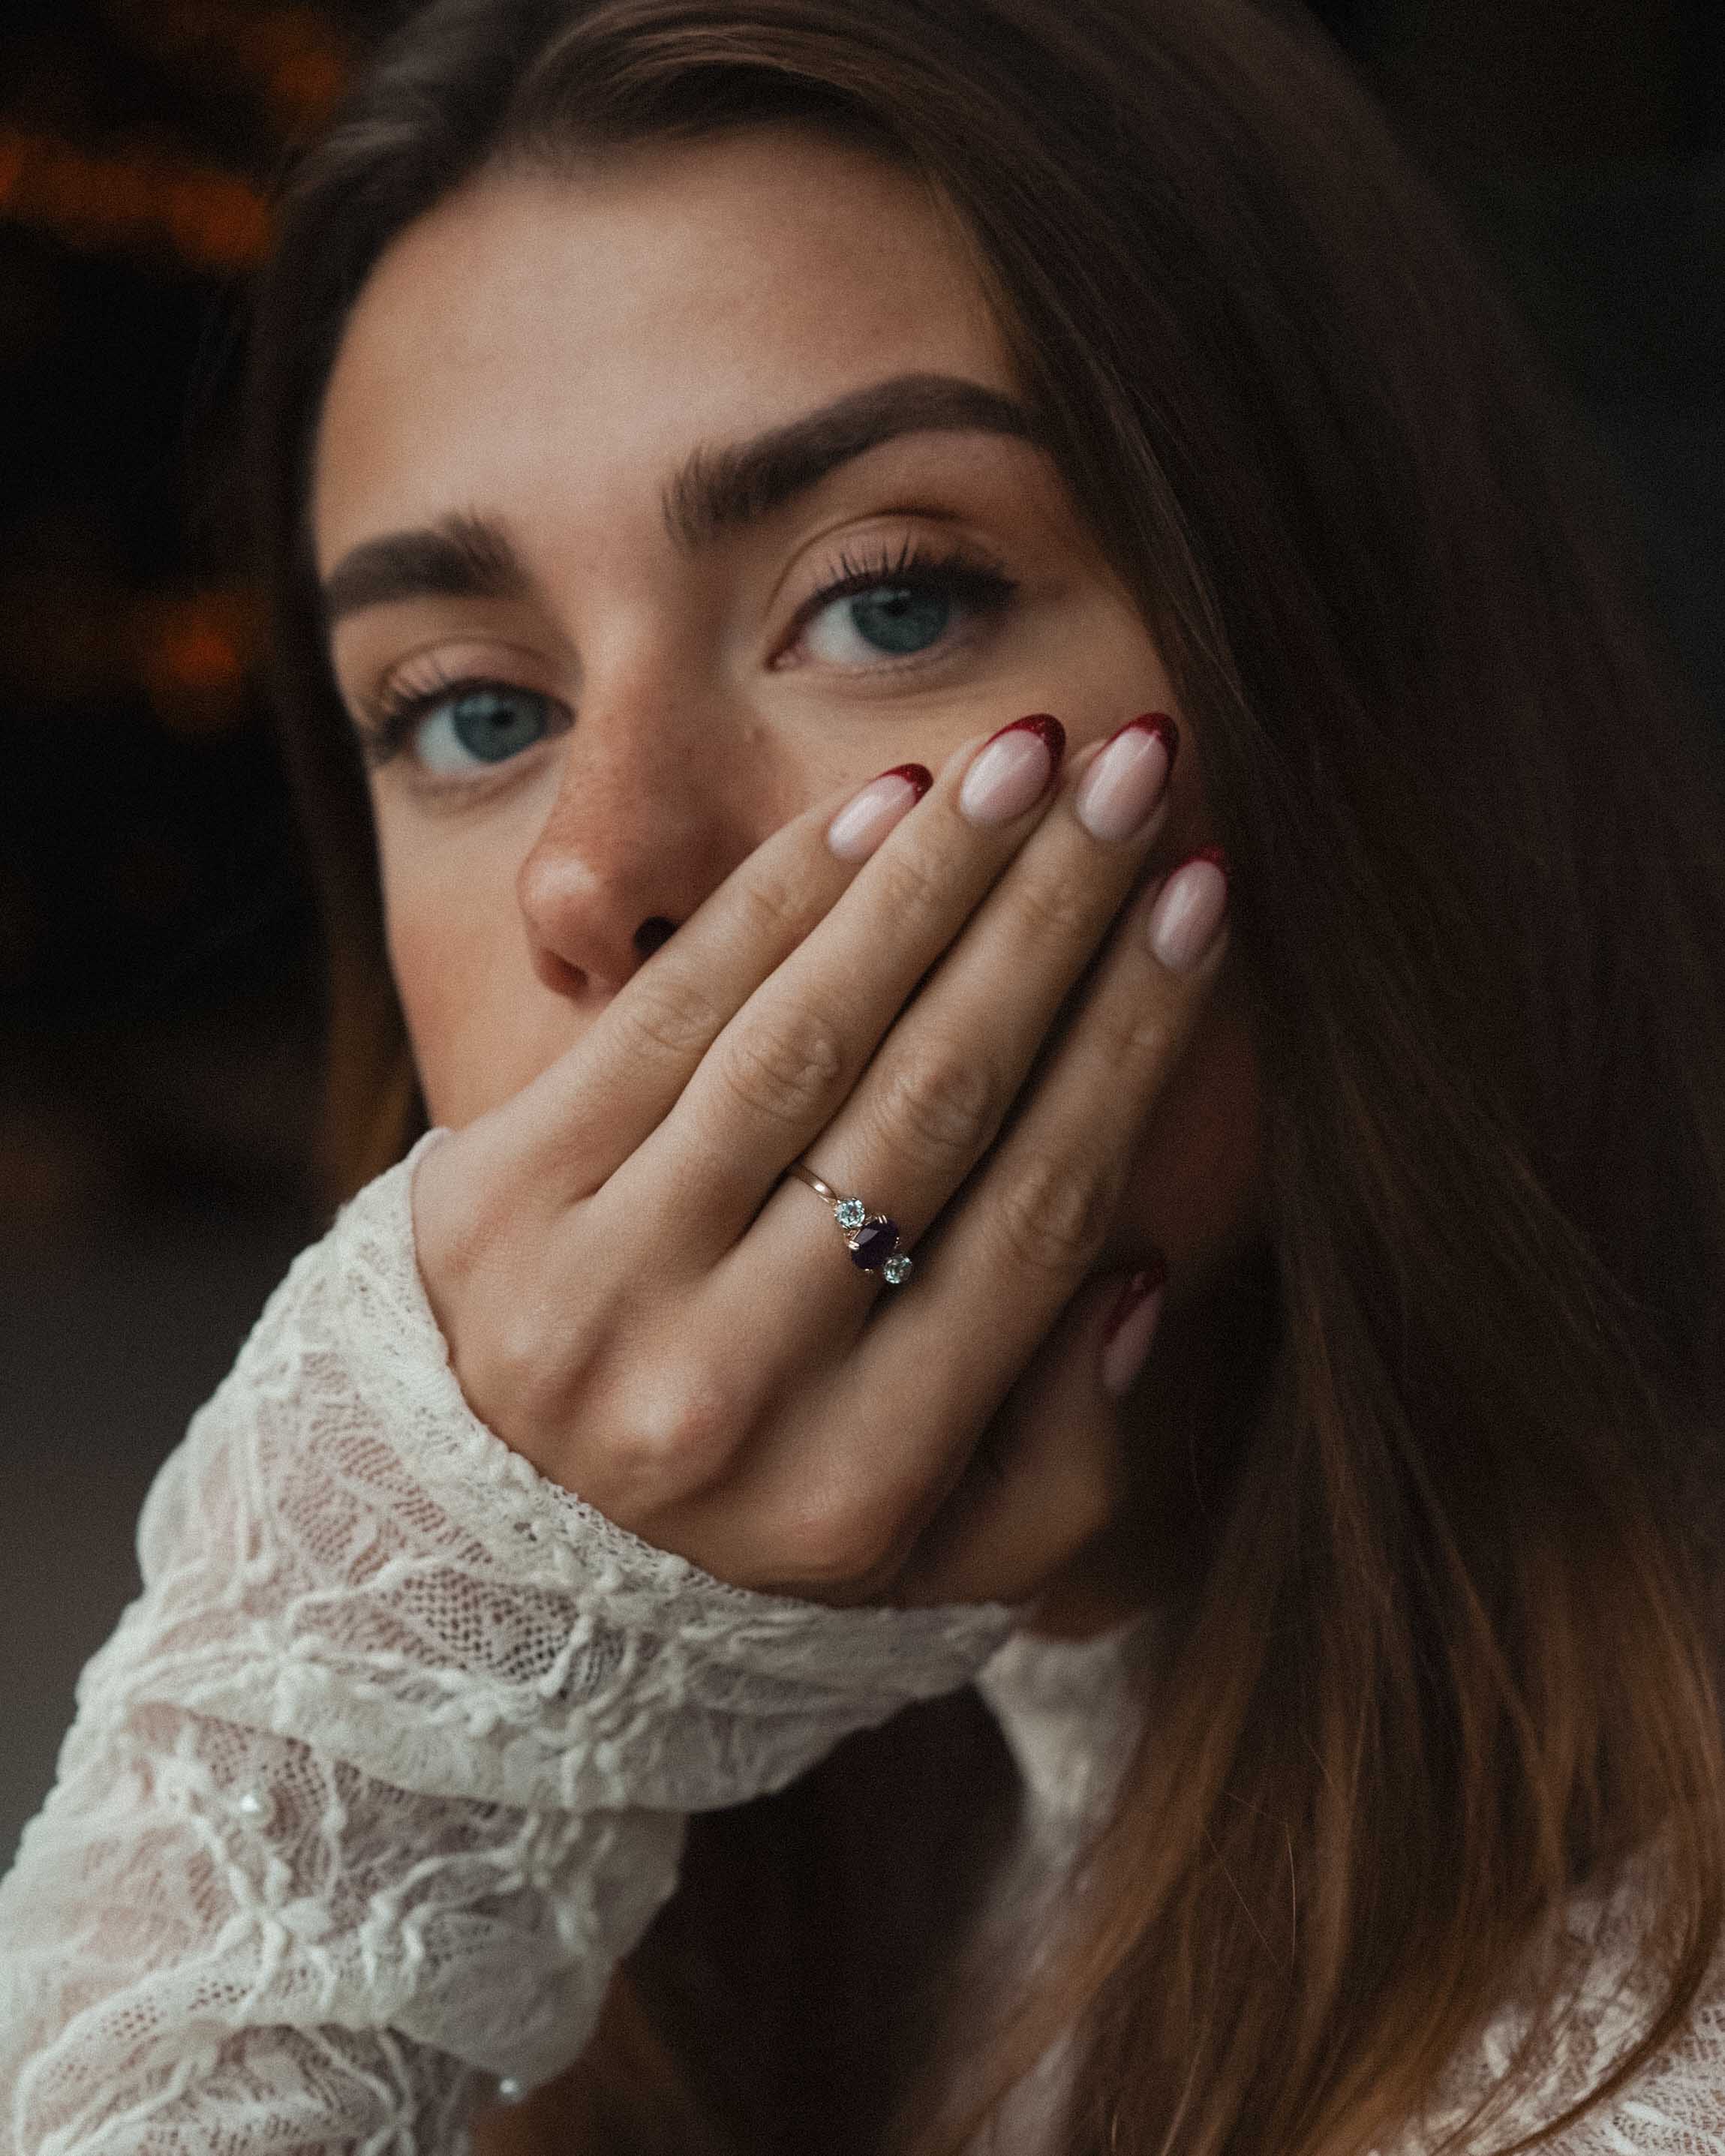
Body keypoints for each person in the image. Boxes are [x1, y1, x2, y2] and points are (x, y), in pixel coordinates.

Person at [4, 0, 1724, 2148]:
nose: (603, 871)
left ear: (1369, 692)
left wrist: (347, 1773)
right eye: (466, 711)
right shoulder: (725, 1873)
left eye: (890, 602)